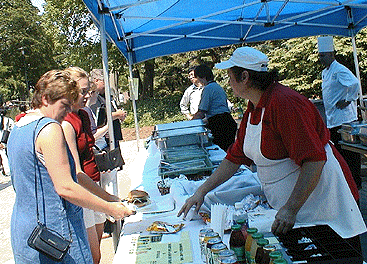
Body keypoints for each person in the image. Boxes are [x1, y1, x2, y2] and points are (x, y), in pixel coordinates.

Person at [178, 47, 366, 244]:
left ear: (244, 77)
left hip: (323, 205)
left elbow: (314, 161)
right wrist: (201, 191)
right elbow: (234, 158)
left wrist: (291, 207)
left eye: (230, 76)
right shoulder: (253, 107)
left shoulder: (285, 103)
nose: (228, 82)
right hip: (295, 211)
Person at [7, 70, 133, 263]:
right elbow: (66, 186)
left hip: (27, 230)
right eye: (64, 106)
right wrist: (109, 208)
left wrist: (108, 197)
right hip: (55, 233)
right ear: (46, 98)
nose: (67, 113)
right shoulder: (49, 128)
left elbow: (75, 173)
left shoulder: (19, 126)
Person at [62, 67, 122, 264]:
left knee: (96, 252)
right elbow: (76, 172)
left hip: (95, 183)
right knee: (91, 255)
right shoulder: (65, 123)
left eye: (89, 90)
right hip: (84, 193)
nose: (87, 96)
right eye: (83, 91)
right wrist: (107, 201)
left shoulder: (84, 115)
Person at [318, 36, 362, 189]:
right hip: (333, 120)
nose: (321, 59)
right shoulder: (326, 72)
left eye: (323, 55)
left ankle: (355, 185)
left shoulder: (340, 69)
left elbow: (355, 83)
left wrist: (349, 99)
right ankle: (346, 185)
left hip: (345, 119)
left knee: (349, 155)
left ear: (332, 54)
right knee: (339, 154)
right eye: (319, 55)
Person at [192, 64, 237, 151]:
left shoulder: (208, 88)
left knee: (222, 151)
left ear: (203, 77)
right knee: (229, 150)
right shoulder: (218, 87)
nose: (199, 82)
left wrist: (189, 125)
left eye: (198, 79)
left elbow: (201, 112)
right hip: (228, 121)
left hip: (219, 125)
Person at [89, 69, 127, 149]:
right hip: (105, 139)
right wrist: (118, 114)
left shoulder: (107, 95)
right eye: (105, 80)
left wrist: (121, 115)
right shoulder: (94, 98)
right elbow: (99, 117)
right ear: (96, 80)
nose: (107, 83)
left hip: (114, 135)